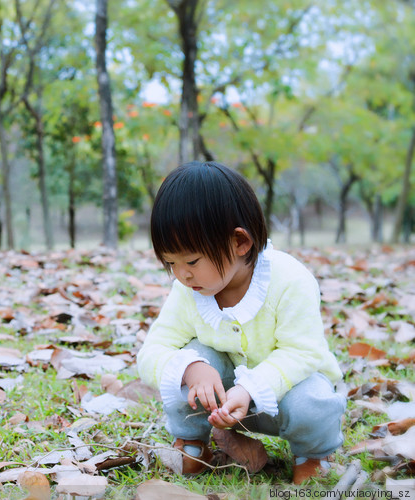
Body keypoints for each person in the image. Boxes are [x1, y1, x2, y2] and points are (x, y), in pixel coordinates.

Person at [137, 161, 345, 485]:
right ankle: (192, 442)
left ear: (240, 243)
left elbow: (303, 353)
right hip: (221, 406)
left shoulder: (290, 281)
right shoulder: (189, 290)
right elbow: (152, 352)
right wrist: (191, 368)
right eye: (170, 262)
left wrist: (250, 388)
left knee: (312, 400)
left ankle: (313, 454)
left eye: (191, 260)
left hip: (286, 398)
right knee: (186, 359)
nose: (182, 274)